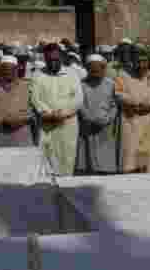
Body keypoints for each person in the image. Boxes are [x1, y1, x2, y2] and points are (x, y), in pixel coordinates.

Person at [29, 43, 83, 176]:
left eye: (56, 60)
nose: (53, 63)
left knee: (67, 158)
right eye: (49, 60)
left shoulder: (72, 74)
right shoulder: (37, 75)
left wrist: (63, 113)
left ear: (62, 58)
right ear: (45, 59)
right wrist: (46, 112)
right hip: (47, 123)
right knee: (47, 160)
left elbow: (78, 99)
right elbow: (35, 98)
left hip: (67, 124)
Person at [114, 45, 150, 173]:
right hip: (130, 123)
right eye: (138, 61)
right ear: (133, 60)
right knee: (130, 162)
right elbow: (118, 94)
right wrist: (136, 102)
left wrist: (148, 105)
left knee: (147, 163)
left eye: (144, 61)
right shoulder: (123, 75)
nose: (141, 65)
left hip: (149, 124)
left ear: (148, 62)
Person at [76, 53, 120, 174]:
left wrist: (107, 119)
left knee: (105, 166)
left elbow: (115, 105)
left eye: (98, 70)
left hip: (105, 128)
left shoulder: (111, 84)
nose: (95, 73)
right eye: (92, 70)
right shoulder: (81, 85)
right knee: (87, 165)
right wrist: (88, 117)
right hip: (87, 127)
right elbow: (79, 103)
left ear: (103, 68)